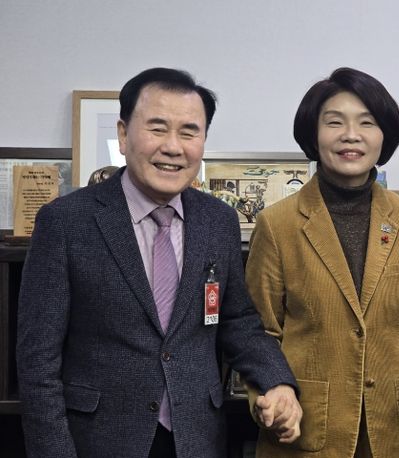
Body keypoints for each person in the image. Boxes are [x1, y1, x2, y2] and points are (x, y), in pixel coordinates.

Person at [16, 67, 302, 458]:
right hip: (100, 441)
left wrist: (277, 381)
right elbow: (38, 362)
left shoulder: (217, 220)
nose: (173, 147)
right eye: (157, 128)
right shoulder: (66, 222)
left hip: (196, 439)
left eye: (189, 132)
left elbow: (238, 321)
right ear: (123, 134)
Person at [245, 67, 399, 457]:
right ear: (313, 133)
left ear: (384, 135)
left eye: (367, 123)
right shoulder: (277, 223)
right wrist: (271, 393)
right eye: (334, 122)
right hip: (308, 432)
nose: (351, 135)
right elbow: (260, 333)